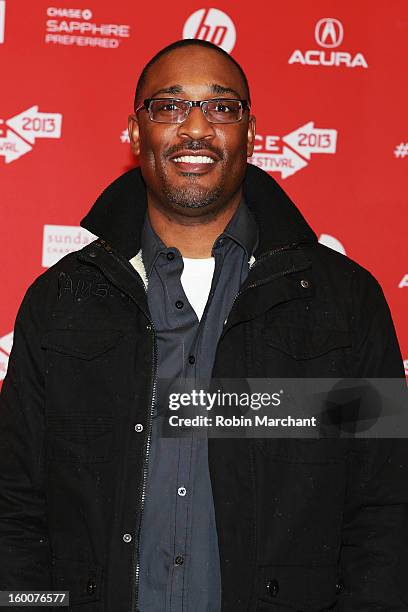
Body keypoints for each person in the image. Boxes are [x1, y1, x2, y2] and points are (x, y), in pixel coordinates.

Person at [0, 38, 407, 612]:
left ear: (250, 132)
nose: (195, 127)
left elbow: (385, 501)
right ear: (137, 132)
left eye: (221, 107)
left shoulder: (346, 302)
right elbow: (14, 505)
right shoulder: (61, 300)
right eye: (168, 106)